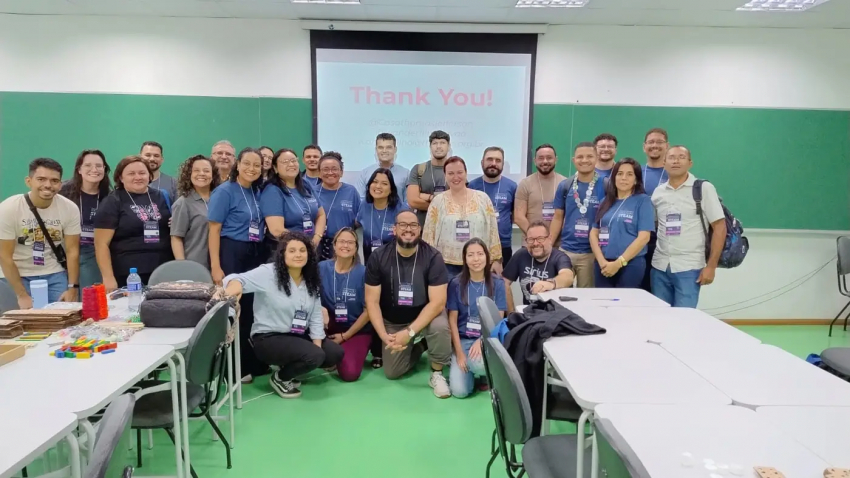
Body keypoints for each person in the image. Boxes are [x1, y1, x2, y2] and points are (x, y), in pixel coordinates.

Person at [224, 231, 344, 398]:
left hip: (297, 335)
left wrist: (317, 346)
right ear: (283, 254)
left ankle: (290, 365)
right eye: (292, 251)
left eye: (302, 250)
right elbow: (237, 279)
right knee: (315, 355)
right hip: (268, 338)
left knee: (333, 353)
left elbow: (316, 314)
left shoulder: (310, 278)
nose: (298, 255)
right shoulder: (268, 273)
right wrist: (233, 288)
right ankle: (281, 378)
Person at [364, 209, 452, 398]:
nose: (408, 229)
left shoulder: (433, 257)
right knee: (392, 372)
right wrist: (384, 336)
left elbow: (438, 302)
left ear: (419, 230)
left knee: (439, 325)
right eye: (403, 225)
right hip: (393, 321)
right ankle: (421, 345)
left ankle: (436, 373)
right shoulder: (378, 257)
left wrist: (410, 332)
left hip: (425, 317)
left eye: (413, 225)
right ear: (394, 229)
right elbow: (372, 301)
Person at [208, 147, 268, 382]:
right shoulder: (224, 191)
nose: (252, 169)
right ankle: (232, 368)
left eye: (257, 165)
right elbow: (214, 230)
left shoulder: (257, 191)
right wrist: (216, 266)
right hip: (232, 251)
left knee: (251, 309)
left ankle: (251, 360)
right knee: (234, 308)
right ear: (238, 165)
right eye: (247, 164)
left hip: (255, 252)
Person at [651, 146, 726, 308]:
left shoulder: (703, 189)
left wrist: (711, 266)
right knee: (659, 317)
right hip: (659, 266)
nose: (676, 161)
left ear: (690, 163)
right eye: (671, 157)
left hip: (689, 267)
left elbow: (719, 227)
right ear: (664, 163)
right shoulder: (658, 192)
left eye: (681, 157)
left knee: (685, 318)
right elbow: (655, 226)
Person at [0, 158, 80, 307]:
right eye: (41, 179)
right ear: (28, 181)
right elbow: (5, 256)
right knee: (20, 320)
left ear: (60, 184)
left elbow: (72, 250)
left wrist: (72, 287)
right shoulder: (8, 208)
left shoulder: (70, 208)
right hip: (17, 274)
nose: (48, 185)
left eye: (54, 180)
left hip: (54, 274)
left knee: (62, 317)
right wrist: (21, 294)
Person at [94, 155, 172, 290]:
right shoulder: (112, 201)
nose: (138, 177)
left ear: (149, 175)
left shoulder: (161, 196)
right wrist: (108, 278)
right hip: (129, 274)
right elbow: (101, 244)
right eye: (131, 174)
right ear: (121, 178)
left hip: (163, 270)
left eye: (142, 173)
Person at [447, 238, 507, 398]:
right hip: (463, 340)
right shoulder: (456, 284)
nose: (476, 259)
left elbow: (498, 319)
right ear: (465, 259)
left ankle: (482, 372)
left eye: (480, 254)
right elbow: (452, 320)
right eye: (471, 255)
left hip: (487, 339)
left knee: (479, 364)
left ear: (487, 256)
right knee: (460, 392)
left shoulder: (498, 283)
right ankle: (476, 373)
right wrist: (459, 353)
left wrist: (481, 340)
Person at [422, 156, 501, 277]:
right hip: (445, 266)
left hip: (478, 264)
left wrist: (496, 259)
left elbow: (493, 230)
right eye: (451, 173)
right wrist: (429, 263)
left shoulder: (483, 198)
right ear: (445, 176)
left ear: (466, 173)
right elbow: (428, 234)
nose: (456, 177)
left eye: (459, 172)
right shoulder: (437, 201)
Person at [589, 158, 655, 289]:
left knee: (624, 302)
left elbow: (644, 237)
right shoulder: (605, 201)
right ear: (614, 177)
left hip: (630, 264)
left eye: (629, 174)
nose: (624, 178)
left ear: (636, 180)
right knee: (603, 301)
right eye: (620, 174)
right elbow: (593, 233)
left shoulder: (643, 201)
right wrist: (601, 261)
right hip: (603, 264)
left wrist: (619, 263)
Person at [550, 142, 607, 288]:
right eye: (580, 157)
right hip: (566, 250)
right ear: (573, 160)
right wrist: (549, 245)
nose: (584, 160)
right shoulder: (565, 185)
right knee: (560, 293)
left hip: (592, 253)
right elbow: (558, 217)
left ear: (596, 158)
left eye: (589, 156)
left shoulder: (606, 185)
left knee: (586, 296)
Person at [318, 228, 371, 382]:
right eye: (341, 241)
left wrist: (345, 336)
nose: (345, 245)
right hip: (329, 326)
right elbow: (311, 296)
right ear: (334, 245)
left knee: (350, 374)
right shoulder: (322, 268)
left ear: (356, 247)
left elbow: (369, 311)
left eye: (350, 242)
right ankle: (334, 354)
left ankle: (358, 347)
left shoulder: (365, 273)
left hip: (356, 329)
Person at [59, 150, 111, 289]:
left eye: (99, 166)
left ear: (104, 169)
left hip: (93, 253)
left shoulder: (109, 196)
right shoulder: (63, 192)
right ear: (79, 169)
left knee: (89, 295)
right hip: (63, 250)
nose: (94, 169)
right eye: (88, 165)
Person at [260, 148, 326, 256]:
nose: (291, 164)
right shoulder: (272, 190)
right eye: (285, 162)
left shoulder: (305, 185)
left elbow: (321, 214)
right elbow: (277, 230)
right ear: (275, 168)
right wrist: (304, 244)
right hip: (286, 251)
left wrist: (317, 238)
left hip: (312, 248)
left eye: (294, 160)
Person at [502, 220, 574, 312]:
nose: (535, 243)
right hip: (529, 314)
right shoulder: (521, 255)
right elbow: (504, 282)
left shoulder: (559, 257)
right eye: (531, 239)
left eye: (540, 239)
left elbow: (568, 276)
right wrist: (511, 313)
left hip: (554, 315)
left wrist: (551, 284)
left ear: (549, 239)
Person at [468, 146, 518, 267]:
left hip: (503, 245)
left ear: (502, 165)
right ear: (482, 163)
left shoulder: (512, 186)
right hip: (477, 245)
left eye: (498, 160)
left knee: (501, 279)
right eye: (489, 159)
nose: (493, 163)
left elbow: (514, 215)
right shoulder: (471, 186)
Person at [171, 155, 220, 270]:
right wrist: (182, 266)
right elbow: (176, 238)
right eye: (196, 170)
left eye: (206, 171)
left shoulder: (220, 200)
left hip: (220, 265)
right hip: (195, 266)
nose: (201, 174)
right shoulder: (183, 203)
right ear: (189, 175)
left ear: (213, 175)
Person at [515, 144, 568, 238]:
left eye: (549, 158)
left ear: (556, 159)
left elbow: (567, 217)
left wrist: (549, 240)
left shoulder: (565, 184)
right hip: (531, 243)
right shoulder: (525, 184)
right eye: (541, 158)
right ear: (535, 161)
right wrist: (536, 238)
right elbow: (519, 217)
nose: (545, 161)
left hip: (559, 243)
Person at [315, 152, 360, 261]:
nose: (330, 173)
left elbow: (358, 219)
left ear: (341, 172)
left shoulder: (351, 191)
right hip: (317, 244)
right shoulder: (311, 192)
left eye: (334, 169)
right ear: (319, 173)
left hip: (344, 246)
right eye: (325, 169)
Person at [640, 127, 669, 292]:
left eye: (659, 142)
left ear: (667, 146)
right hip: (639, 237)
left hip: (666, 237)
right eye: (651, 142)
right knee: (641, 286)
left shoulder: (675, 173)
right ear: (644, 146)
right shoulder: (635, 173)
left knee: (660, 289)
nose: (655, 145)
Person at [357, 168, 404, 264]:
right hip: (370, 261)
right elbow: (357, 223)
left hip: (394, 263)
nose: (378, 186)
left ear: (391, 189)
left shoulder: (401, 209)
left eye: (384, 183)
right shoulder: (365, 205)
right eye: (375, 182)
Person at [407, 130, 450, 226]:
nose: (438, 146)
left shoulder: (455, 169)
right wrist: (438, 204)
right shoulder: (419, 169)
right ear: (430, 147)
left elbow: (459, 198)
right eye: (435, 143)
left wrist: (424, 196)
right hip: (423, 227)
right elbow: (412, 201)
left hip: (448, 227)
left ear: (449, 146)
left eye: (442, 143)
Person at [355, 133, 409, 204]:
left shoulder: (406, 173)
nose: (384, 151)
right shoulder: (365, 173)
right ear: (376, 149)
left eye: (388, 147)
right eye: (380, 147)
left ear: (395, 149)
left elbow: (408, 203)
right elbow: (360, 201)